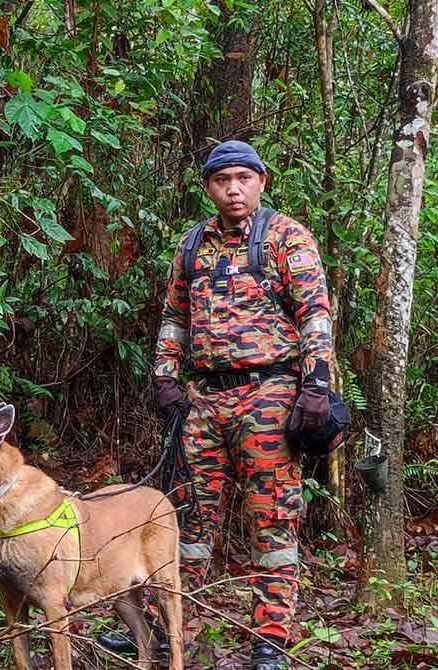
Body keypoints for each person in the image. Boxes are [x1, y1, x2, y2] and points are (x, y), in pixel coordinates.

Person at [99, 141, 332, 670]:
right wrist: (164, 376)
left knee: (271, 520)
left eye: (243, 179)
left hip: (270, 394)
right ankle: (168, 629)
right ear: (208, 186)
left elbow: (315, 315)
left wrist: (315, 385)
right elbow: (174, 318)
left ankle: (270, 639)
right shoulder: (192, 245)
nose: (233, 189)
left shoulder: (286, 238)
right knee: (187, 519)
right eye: (222, 179)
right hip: (204, 398)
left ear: (261, 181)